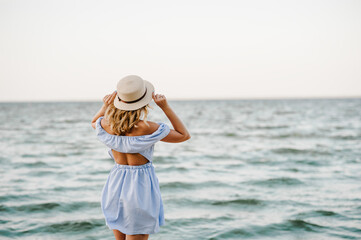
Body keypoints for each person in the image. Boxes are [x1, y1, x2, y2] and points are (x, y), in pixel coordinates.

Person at [91, 75, 191, 240]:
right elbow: (183, 135)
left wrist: (105, 106)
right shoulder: (148, 128)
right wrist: (165, 107)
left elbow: (94, 122)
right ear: (144, 103)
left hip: (115, 185)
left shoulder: (106, 125)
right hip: (139, 188)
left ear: (118, 100)